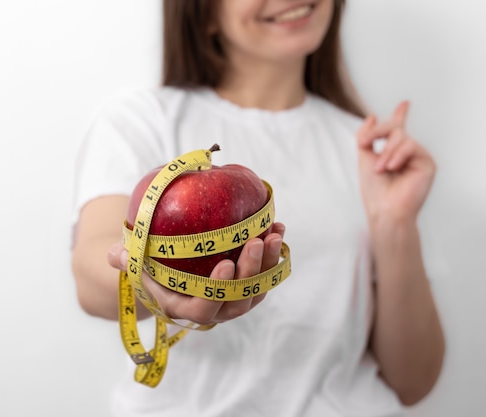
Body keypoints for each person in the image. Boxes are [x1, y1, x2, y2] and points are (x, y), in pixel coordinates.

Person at [70, 0, 445, 416]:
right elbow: (92, 277)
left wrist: (396, 223)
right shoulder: (144, 119)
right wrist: (161, 292)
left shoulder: (370, 151)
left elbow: (413, 381)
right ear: (204, 11)